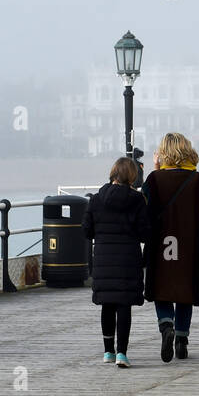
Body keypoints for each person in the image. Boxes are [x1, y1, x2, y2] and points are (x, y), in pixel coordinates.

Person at [142, 132, 199, 363]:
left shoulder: (154, 180)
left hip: (160, 248)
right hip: (190, 247)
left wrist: (155, 169)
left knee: (161, 288)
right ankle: (182, 340)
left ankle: (166, 326)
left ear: (162, 153)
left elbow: (143, 212)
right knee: (185, 292)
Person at [83, 157, 150, 368]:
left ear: (112, 173)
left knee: (107, 304)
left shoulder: (96, 199)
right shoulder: (137, 200)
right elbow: (144, 233)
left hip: (103, 257)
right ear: (132, 176)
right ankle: (122, 353)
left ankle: (108, 351)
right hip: (128, 258)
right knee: (124, 305)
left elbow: (87, 230)